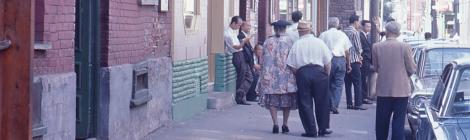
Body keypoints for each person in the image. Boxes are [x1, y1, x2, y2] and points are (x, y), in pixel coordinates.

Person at [287, 21, 333, 137]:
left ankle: (311, 130)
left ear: (299, 32)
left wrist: (299, 74)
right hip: (319, 72)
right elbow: (328, 62)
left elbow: (291, 65)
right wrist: (326, 75)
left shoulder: (297, 44)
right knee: (322, 101)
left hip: (303, 73)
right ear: (310, 30)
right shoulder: (319, 42)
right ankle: (323, 128)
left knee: (305, 102)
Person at [372, 21, 417, 140]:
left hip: (383, 89)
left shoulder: (376, 47)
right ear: (398, 32)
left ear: (387, 31)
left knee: (382, 121)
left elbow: (376, 68)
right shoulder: (405, 47)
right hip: (401, 90)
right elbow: (412, 68)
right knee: (399, 122)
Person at [257, 20, 297, 134]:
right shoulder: (290, 41)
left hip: (270, 76)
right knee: (287, 101)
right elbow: (294, 59)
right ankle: (285, 124)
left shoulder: (267, 41)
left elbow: (262, 60)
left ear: (274, 29)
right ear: (285, 29)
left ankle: (275, 123)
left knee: (272, 101)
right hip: (286, 78)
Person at [319, 17, 351, 114]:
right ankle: (335, 105)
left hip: (328, 60)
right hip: (340, 60)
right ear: (337, 24)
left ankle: (329, 104)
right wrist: (348, 64)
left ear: (329, 24)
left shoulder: (323, 35)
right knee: (339, 84)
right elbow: (347, 51)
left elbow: (320, 49)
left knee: (327, 83)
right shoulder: (343, 35)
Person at [224, 16, 253, 105]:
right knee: (241, 77)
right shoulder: (227, 34)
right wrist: (244, 41)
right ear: (233, 23)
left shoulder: (233, 32)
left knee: (249, 76)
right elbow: (236, 47)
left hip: (241, 55)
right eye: (238, 25)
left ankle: (241, 93)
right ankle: (240, 97)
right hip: (237, 55)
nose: (239, 27)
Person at [343, 14, 367, 110]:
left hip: (346, 60)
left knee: (347, 83)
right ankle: (358, 103)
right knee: (357, 82)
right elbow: (358, 47)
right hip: (354, 60)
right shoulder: (355, 32)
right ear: (355, 22)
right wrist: (360, 55)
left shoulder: (344, 31)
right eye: (358, 22)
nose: (359, 24)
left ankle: (349, 103)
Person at [238, 21, 258, 102]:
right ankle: (242, 94)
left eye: (250, 26)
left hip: (248, 61)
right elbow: (242, 45)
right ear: (242, 27)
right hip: (244, 60)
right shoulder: (241, 35)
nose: (249, 27)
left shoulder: (246, 36)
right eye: (247, 26)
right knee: (250, 77)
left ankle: (247, 95)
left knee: (253, 77)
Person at [359, 20, 374, 104]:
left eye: (370, 26)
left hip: (367, 61)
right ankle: (363, 97)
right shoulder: (361, 35)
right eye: (367, 26)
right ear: (362, 26)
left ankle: (364, 96)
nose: (369, 28)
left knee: (364, 79)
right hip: (364, 61)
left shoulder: (366, 35)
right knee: (363, 80)